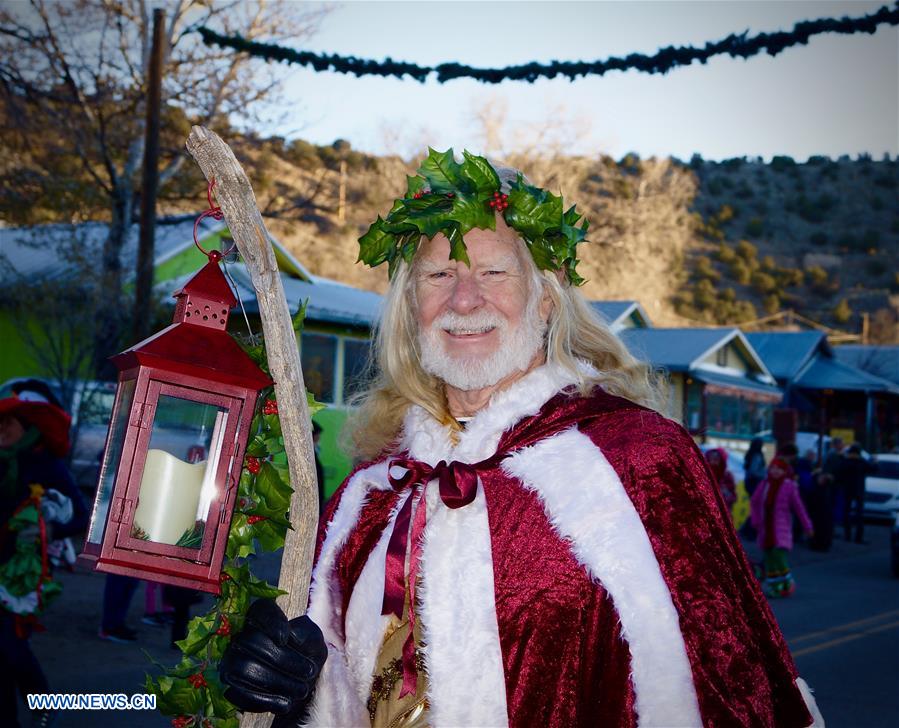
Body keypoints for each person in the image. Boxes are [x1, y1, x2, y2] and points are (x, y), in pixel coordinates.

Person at [218, 151, 824, 726]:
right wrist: (288, 687)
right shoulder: (371, 492)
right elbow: (345, 695)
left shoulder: (637, 459)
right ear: (410, 306)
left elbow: (726, 688)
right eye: (439, 274)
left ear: (545, 298)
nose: (464, 298)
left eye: (493, 271)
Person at [0, 383, 85, 727]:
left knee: (10, 646)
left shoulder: (44, 463)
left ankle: (42, 702)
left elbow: (80, 515)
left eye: (8, 423)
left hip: (21, 574)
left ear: (25, 424)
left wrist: (44, 530)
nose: (2, 431)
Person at [750, 458, 814, 599]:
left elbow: (799, 508)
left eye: (779, 469)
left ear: (785, 472)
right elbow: (754, 502)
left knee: (778, 555)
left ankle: (787, 581)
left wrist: (807, 526)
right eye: (773, 468)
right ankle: (775, 586)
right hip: (765, 528)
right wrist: (755, 520)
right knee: (769, 558)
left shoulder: (789, 486)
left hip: (780, 528)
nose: (775, 471)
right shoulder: (764, 484)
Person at [838, 443, 877, 544]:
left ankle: (847, 535)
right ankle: (858, 538)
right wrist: (875, 461)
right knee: (859, 514)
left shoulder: (846, 462)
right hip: (859, 490)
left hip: (848, 489)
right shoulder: (861, 462)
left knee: (847, 512)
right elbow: (874, 469)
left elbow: (839, 472)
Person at [705, 447, 736, 513]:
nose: (713, 462)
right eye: (711, 459)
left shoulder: (727, 476)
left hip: (723, 512)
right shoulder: (705, 474)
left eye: (716, 459)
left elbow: (733, 496)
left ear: (721, 460)